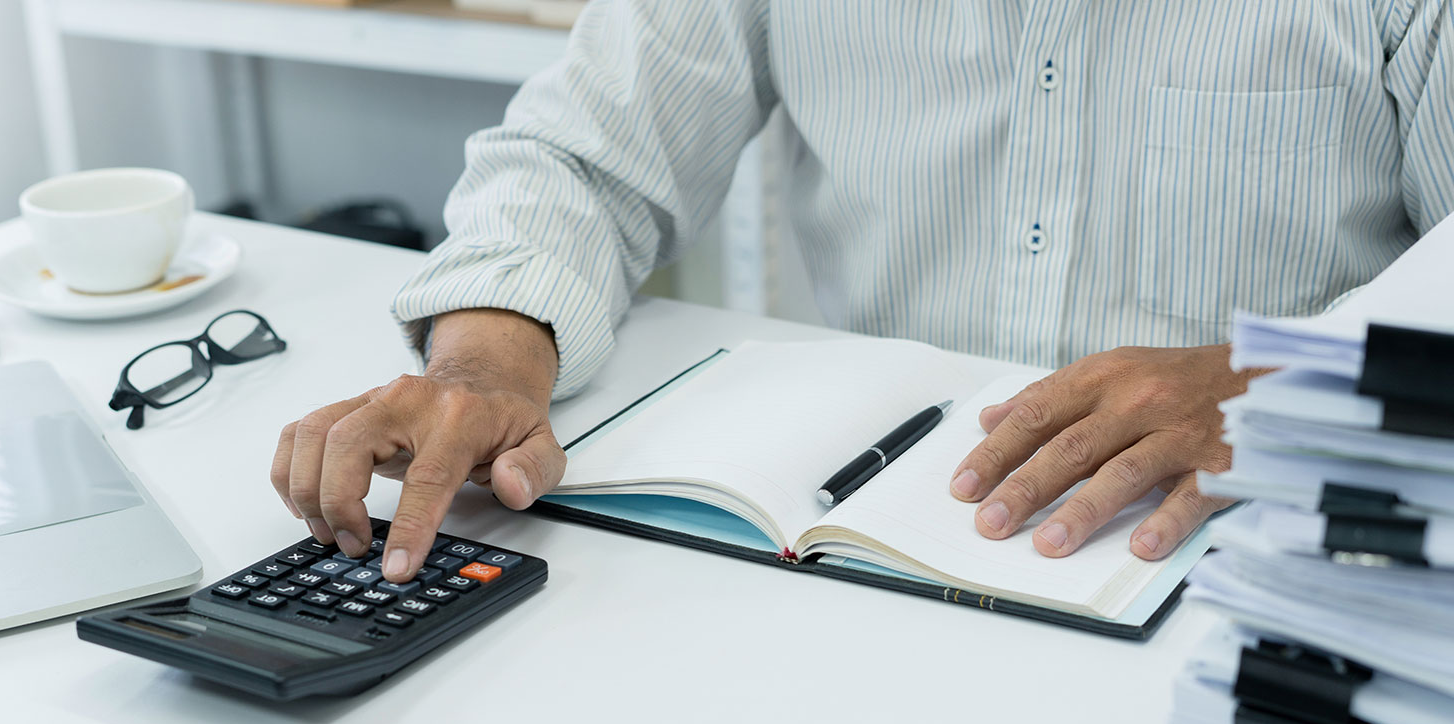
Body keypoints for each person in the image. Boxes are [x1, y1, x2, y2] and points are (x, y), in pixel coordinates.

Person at [271, 0, 1454, 583]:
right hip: (850, 559)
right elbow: (583, 156)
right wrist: (482, 368)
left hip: (1257, 560)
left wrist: (1284, 377)